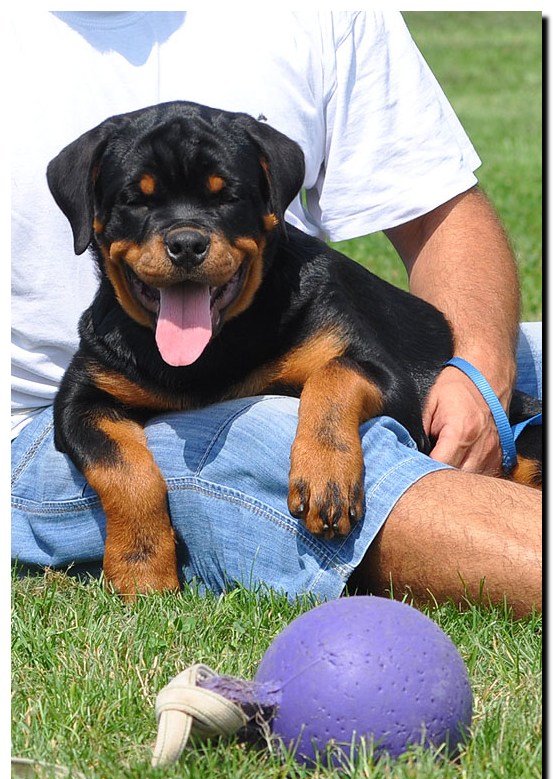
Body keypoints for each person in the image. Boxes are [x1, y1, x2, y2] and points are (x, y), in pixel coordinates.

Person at [11, 10, 541, 617]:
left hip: (399, 363)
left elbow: (438, 217)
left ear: (270, 208)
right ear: (94, 219)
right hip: (38, 429)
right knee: (281, 443)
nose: (184, 239)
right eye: (139, 202)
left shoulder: (322, 15)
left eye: (222, 200)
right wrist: (133, 502)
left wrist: (478, 368)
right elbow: (82, 407)